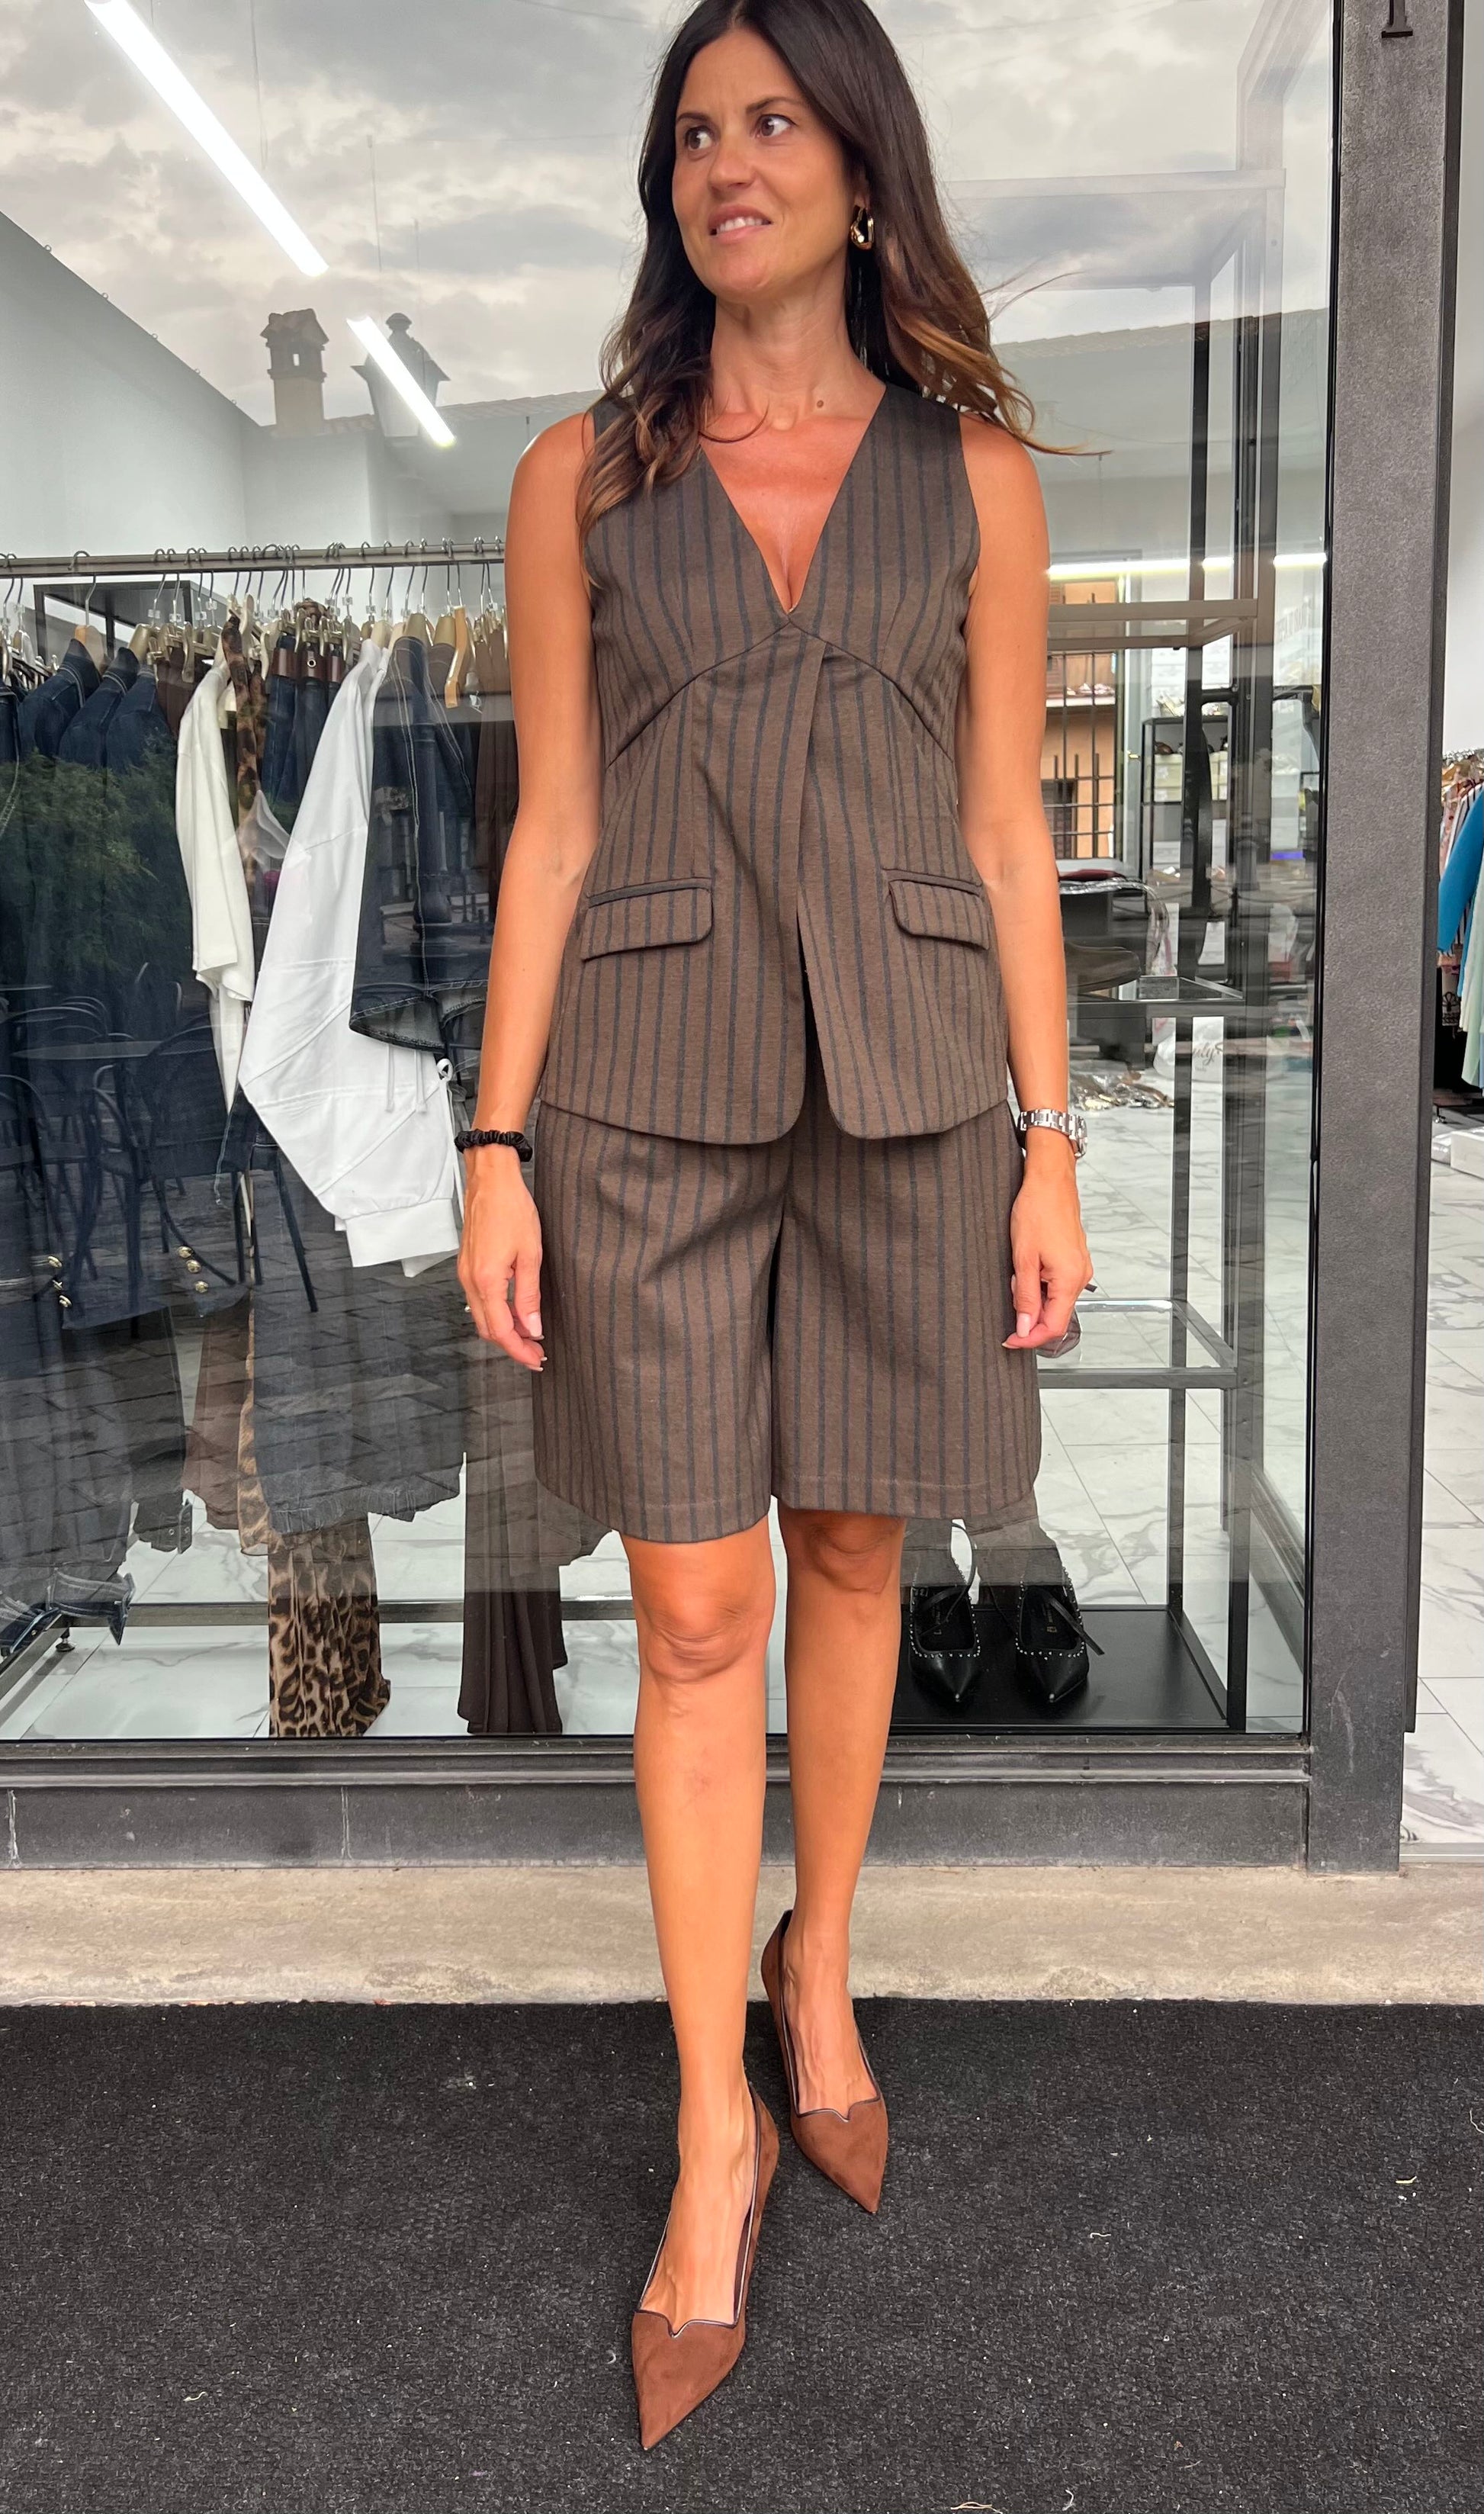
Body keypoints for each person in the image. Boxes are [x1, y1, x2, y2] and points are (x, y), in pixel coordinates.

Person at [457, 0, 1092, 2449]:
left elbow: (1003, 829)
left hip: (916, 1092)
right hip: (639, 1098)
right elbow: (549, 831)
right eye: (695, 131)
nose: (729, 161)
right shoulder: (579, 478)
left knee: (851, 1554)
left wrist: (1049, 1133)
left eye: (774, 123)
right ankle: (711, 2125)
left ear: (856, 168)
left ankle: (820, 1968)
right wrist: (492, 1145)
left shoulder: (974, 478)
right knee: (695, 1607)